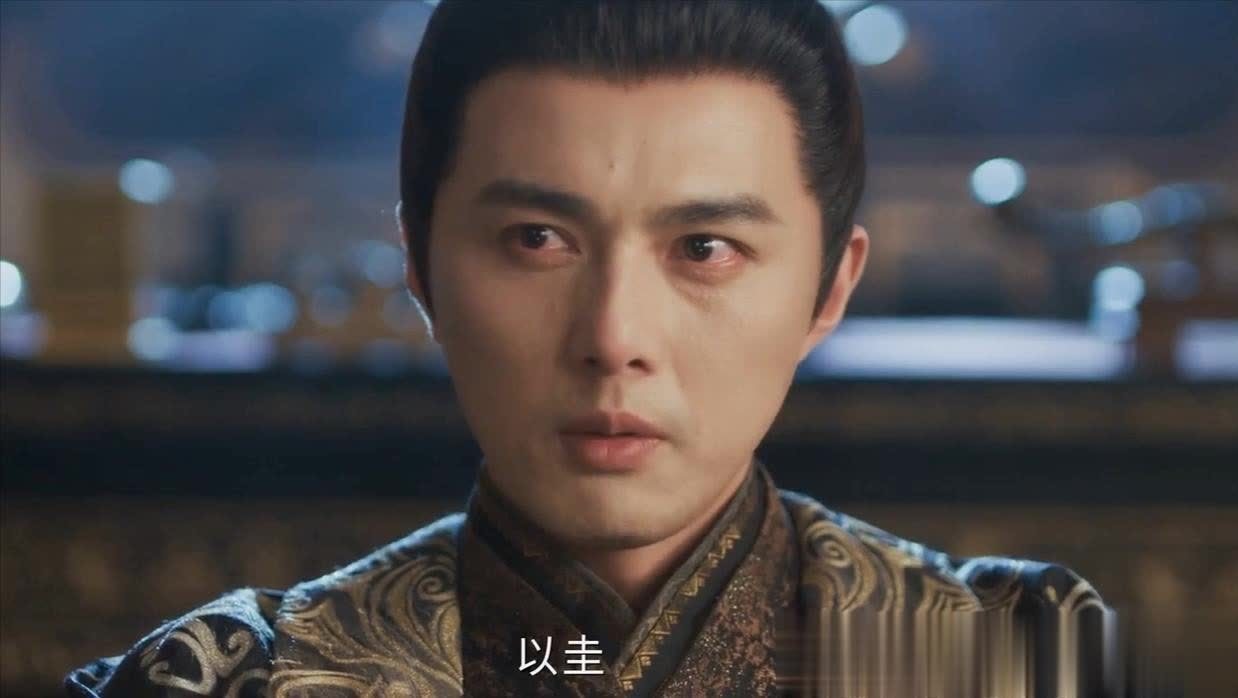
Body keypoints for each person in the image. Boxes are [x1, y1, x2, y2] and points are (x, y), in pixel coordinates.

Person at [66, 1, 1111, 696]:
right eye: (537, 239)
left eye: (705, 248)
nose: (615, 338)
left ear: (831, 284)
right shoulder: (227, 681)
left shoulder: (1005, 657)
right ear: (420, 266)